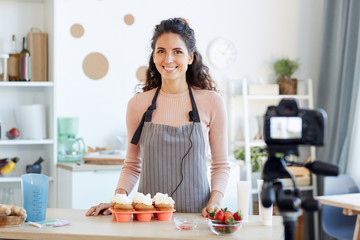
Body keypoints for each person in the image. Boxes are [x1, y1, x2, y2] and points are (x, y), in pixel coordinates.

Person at [86, 17, 230, 217]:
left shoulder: (212, 102)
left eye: (177, 52)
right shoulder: (138, 105)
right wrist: (117, 201)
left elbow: (220, 165)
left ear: (190, 57)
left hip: (197, 218)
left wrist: (215, 203)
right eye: (161, 51)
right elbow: (132, 165)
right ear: (153, 57)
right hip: (148, 218)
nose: (168, 59)